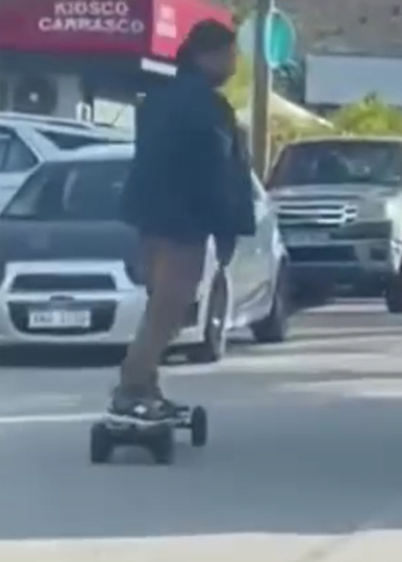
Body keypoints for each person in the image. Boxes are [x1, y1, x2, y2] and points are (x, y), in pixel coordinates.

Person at [115, 19, 256, 421]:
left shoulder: (159, 99)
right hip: (184, 224)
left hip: (151, 219)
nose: (233, 64)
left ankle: (145, 381)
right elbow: (218, 172)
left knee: (161, 305)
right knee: (170, 308)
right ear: (206, 56)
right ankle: (133, 385)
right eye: (230, 55)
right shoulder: (208, 108)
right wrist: (228, 226)